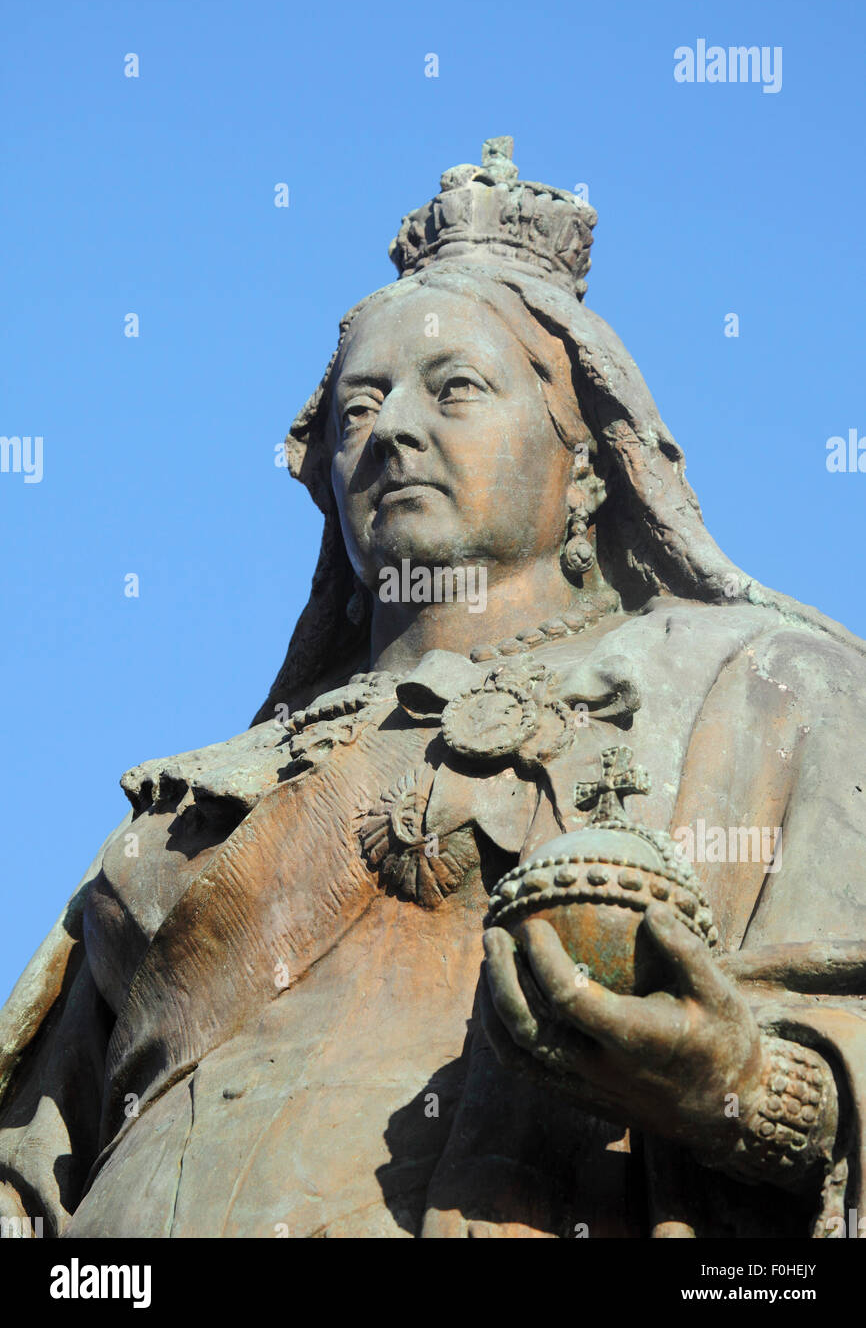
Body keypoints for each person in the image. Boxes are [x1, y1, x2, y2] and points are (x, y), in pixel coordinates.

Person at [1, 138, 864, 1238]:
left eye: (454, 387)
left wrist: (737, 1083)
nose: (392, 429)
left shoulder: (760, 685)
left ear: (588, 458)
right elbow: (33, 1156)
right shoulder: (195, 795)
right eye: (357, 409)